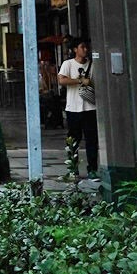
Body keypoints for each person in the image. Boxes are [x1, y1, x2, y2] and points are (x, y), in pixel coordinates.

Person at [58, 38, 99, 177]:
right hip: (73, 108)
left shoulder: (92, 65)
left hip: (90, 108)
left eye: (86, 47)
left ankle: (92, 168)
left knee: (92, 139)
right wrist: (79, 80)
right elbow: (61, 80)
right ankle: (73, 168)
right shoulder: (68, 64)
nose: (85, 49)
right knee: (73, 139)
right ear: (75, 49)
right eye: (82, 47)